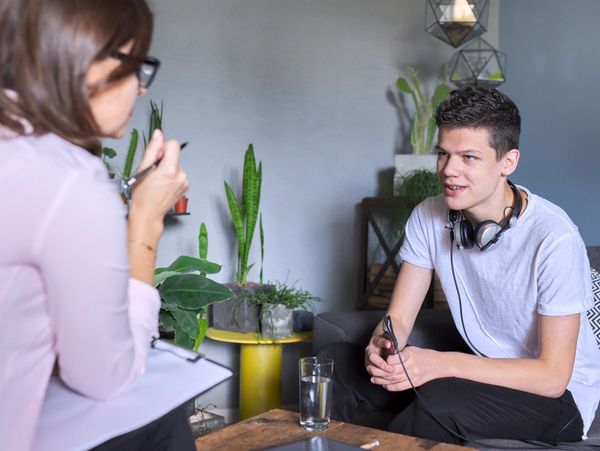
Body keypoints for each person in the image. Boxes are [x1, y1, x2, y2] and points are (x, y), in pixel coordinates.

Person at [320, 87, 600, 445]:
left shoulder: (554, 238)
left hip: (560, 401)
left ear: (508, 162)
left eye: (468, 157)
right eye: (443, 154)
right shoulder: (429, 215)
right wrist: (385, 344)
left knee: (440, 403)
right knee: (336, 363)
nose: (449, 171)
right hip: (479, 376)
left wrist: (441, 363)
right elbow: (400, 319)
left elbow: (552, 376)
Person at [0, 0, 193, 450]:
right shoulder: (68, 179)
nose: (142, 89)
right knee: (162, 415)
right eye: (136, 67)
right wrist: (145, 219)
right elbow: (105, 375)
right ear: (85, 61)